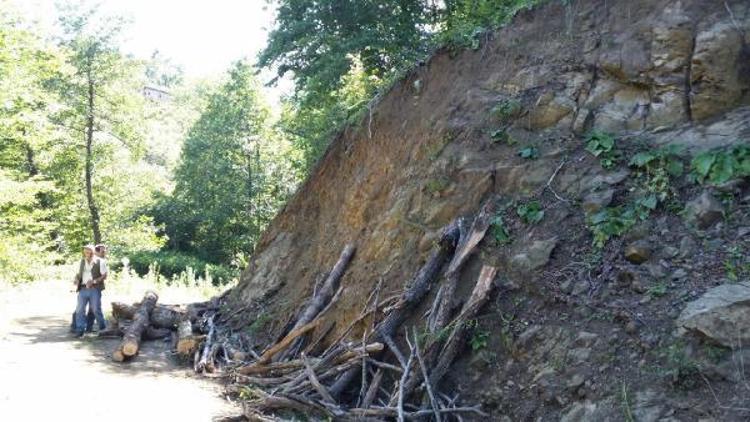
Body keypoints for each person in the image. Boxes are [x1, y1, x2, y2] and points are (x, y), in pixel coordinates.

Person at [71, 245, 106, 337]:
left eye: (88, 251)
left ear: (92, 252)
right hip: (82, 288)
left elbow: (104, 275)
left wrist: (94, 281)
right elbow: (80, 274)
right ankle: (80, 330)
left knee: (96, 310)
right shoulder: (82, 261)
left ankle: (103, 329)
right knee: (79, 310)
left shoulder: (100, 262)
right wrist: (76, 280)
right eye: (85, 251)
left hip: (95, 289)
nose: (86, 253)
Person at [88, 244, 109, 332]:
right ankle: (89, 327)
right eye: (102, 251)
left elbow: (104, 276)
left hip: (96, 287)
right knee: (92, 308)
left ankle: (102, 326)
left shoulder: (102, 261)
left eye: (104, 251)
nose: (104, 253)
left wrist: (95, 282)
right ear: (96, 251)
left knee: (95, 307)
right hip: (87, 287)